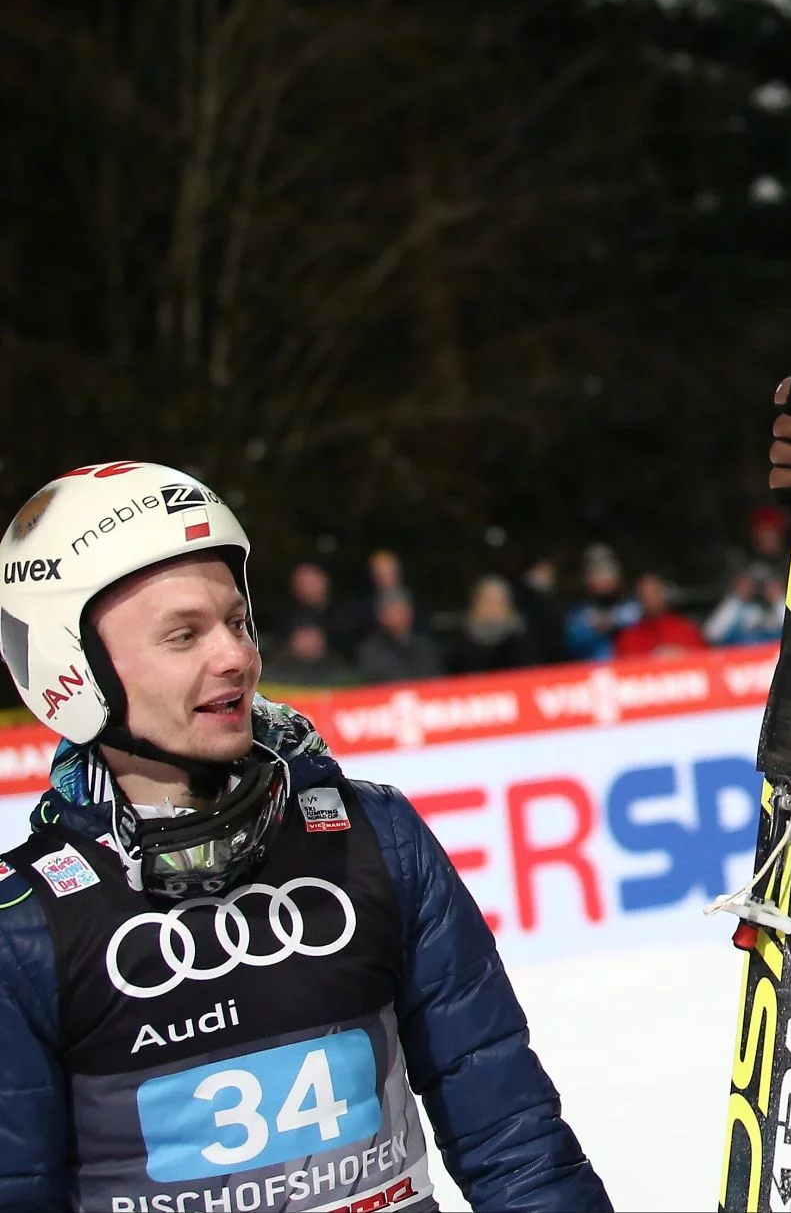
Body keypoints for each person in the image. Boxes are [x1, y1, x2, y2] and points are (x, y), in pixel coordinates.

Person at [0, 462, 609, 1209]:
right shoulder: (23, 929)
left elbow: (514, 1142)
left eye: (235, 620)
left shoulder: (376, 835)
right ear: (72, 670)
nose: (235, 656)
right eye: (183, 634)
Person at [452, 574, 541, 674]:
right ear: (475, 605)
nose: (492, 609)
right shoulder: (457, 646)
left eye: (498, 603)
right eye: (487, 602)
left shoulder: (523, 644)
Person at [563, 542, 637, 662]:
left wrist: (613, 621)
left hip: (632, 671)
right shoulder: (579, 613)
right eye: (596, 574)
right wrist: (595, 629)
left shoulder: (632, 606)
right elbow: (572, 644)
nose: (602, 579)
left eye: (607, 573)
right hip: (595, 672)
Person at [353, 588, 442, 683]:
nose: (397, 615)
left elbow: (439, 680)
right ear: (381, 616)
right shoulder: (370, 650)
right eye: (391, 610)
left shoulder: (425, 646)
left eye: (401, 608)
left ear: (410, 612)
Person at [611, 573, 705, 659]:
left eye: (655, 593)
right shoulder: (628, 639)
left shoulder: (687, 630)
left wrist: (682, 654)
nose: (651, 599)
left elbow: (704, 660)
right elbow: (623, 668)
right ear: (638, 599)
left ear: (663, 594)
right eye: (645, 595)